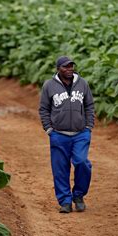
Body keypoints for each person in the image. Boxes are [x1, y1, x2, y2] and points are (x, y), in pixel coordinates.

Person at [39, 56, 94, 214]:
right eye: (65, 67)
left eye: (71, 66)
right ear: (58, 69)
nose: (69, 69)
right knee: (60, 169)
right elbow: (43, 109)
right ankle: (65, 201)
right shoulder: (49, 86)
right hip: (58, 134)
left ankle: (78, 195)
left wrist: (89, 126)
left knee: (82, 163)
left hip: (80, 134)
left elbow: (89, 105)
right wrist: (49, 129)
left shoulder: (82, 83)